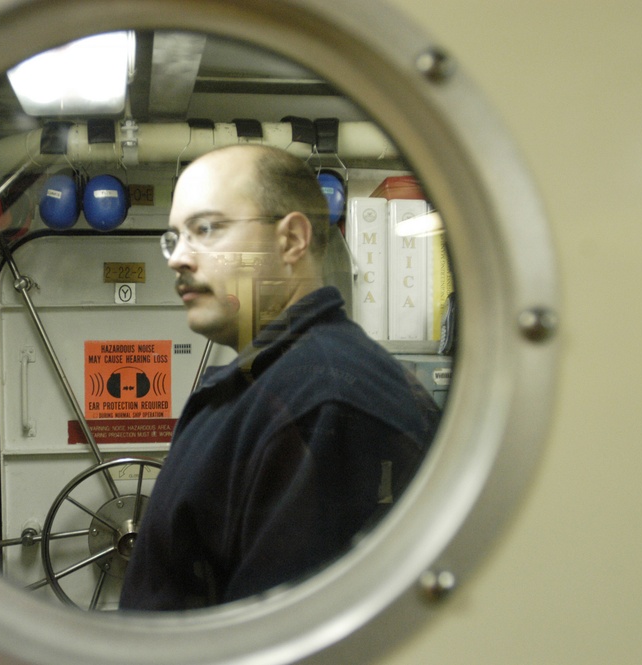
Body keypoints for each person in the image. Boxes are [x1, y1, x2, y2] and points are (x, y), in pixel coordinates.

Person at [119, 144, 441, 611]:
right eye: (175, 238)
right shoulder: (269, 386)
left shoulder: (322, 404)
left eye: (206, 229)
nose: (178, 259)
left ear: (291, 240)